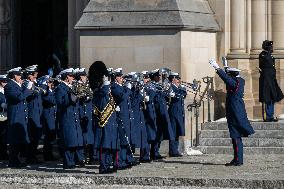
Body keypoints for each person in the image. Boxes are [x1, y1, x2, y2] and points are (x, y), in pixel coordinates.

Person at [209, 59, 255, 166]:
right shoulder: (239, 80)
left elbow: (227, 79)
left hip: (235, 112)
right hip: (236, 110)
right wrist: (226, 66)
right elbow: (229, 77)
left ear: (233, 75)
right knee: (235, 137)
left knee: (235, 135)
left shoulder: (235, 82)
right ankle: (237, 159)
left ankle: (238, 160)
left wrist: (217, 68)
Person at [89, 61, 120, 174]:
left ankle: (108, 164)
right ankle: (103, 166)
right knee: (105, 145)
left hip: (110, 120)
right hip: (104, 121)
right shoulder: (99, 91)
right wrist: (106, 84)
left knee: (111, 144)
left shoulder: (106, 89)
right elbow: (102, 97)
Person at [55, 68, 85, 169]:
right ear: (67, 77)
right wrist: (71, 97)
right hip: (67, 117)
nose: (73, 78)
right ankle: (68, 163)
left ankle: (73, 161)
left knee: (74, 141)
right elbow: (60, 103)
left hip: (74, 117)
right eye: (71, 76)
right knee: (68, 141)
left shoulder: (71, 87)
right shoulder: (60, 88)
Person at [4, 67, 33, 167]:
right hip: (15, 116)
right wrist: (28, 88)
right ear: (13, 76)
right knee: (15, 140)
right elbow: (19, 97)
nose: (20, 77)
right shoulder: (9, 86)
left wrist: (26, 87)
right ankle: (13, 162)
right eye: (18, 75)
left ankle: (18, 160)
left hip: (21, 115)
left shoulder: (18, 85)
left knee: (20, 139)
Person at [111, 68, 137, 169]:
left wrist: (133, 89)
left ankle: (127, 159)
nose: (122, 78)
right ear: (116, 78)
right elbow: (123, 97)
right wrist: (128, 89)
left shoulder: (122, 87)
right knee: (122, 139)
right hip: (121, 116)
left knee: (128, 138)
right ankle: (119, 161)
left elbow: (131, 97)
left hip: (128, 115)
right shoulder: (114, 87)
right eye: (120, 76)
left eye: (122, 76)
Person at [150, 69, 174, 160]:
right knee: (156, 133)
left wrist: (168, 93)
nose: (159, 77)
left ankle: (157, 151)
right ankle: (154, 152)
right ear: (154, 76)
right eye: (158, 76)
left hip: (162, 112)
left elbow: (164, 97)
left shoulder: (159, 86)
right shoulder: (152, 86)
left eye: (160, 76)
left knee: (160, 134)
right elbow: (155, 99)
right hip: (157, 113)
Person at [23, 65, 44, 164]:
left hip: (38, 113)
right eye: (33, 74)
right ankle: (30, 157)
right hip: (31, 113)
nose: (35, 75)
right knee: (31, 137)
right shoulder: (25, 84)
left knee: (36, 136)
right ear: (29, 75)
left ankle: (33, 156)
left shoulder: (35, 83)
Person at [259, 40, 284, 122]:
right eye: (270, 47)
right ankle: (268, 116)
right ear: (267, 47)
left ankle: (271, 115)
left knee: (273, 97)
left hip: (272, 80)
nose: (272, 48)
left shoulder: (270, 55)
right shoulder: (263, 55)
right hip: (266, 80)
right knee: (267, 98)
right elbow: (264, 67)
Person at [74, 68, 95, 165]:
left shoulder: (88, 85)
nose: (85, 77)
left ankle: (91, 157)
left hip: (89, 113)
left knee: (90, 136)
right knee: (81, 137)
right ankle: (80, 158)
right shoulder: (75, 85)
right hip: (81, 113)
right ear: (80, 76)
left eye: (85, 76)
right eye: (83, 76)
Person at [168, 72, 187, 157]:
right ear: (173, 79)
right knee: (173, 131)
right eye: (177, 78)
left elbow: (183, 95)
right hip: (173, 112)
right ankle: (172, 150)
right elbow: (174, 97)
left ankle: (175, 150)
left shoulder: (179, 88)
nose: (179, 80)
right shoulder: (170, 87)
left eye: (179, 78)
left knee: (177, 131)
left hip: (179, 112)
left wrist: (183, 89)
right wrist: (179, 92)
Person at [39, 75, 57, 161]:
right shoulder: (45, 92)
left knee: (52, 136)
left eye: (51, 82)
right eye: (49, 82)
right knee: (48, 136)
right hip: (48, 116)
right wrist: (47, 88)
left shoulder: (51, 91)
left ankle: (50, 153)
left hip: (53, 115)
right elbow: (52, 100)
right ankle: (47, 155)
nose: (51, 83)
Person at [0, 74, 8, 160]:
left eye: (6, 81)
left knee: (4, 136)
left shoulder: (6, 90)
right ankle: (2, 154)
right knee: (2, 136)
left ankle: (4, 152)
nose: (5, 83)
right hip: (1, 116)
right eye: (3, 81)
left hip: (6, 116)